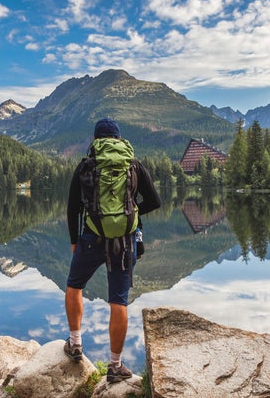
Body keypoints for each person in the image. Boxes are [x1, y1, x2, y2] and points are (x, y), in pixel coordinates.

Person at [64, 118, 162, 383]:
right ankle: (116, 366)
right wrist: (133, 212)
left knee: (75, 285)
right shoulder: (133, 166)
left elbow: (73, 208)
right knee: (118, 300)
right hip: (125, 240)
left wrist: (75, 241)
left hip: (91, 237)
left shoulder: (86, 166)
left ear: (96, 141)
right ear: (119, 140)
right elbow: (155, 200)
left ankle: (75, 343)